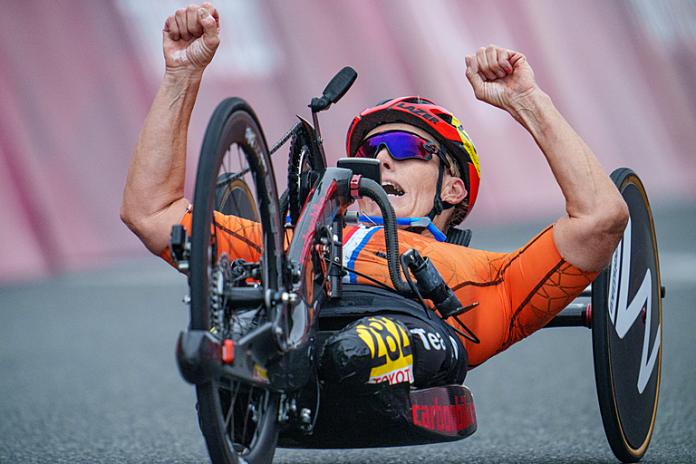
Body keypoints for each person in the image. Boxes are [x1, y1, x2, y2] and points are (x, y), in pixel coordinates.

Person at [121, 4, 628, 390]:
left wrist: (526, 101)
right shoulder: (295, 248)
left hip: (419, 331)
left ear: (454, 189)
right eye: (368, 150)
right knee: (263, 279)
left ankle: (309, 355)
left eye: (406, 148)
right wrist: (181, 74)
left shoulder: (487, 277)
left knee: (357, 349)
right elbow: (150, 214)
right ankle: (264, 345)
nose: (380, 160)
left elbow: (602, 217)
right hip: (294, 309)